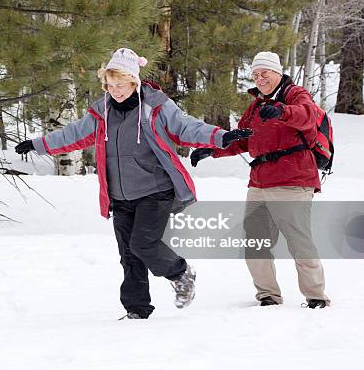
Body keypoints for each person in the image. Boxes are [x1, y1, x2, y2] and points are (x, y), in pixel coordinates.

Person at [15, 48, 252, 319]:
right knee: (129, 255)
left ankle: (180, 272)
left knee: (144, 244)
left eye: (121, 85)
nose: (116, 91)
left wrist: (221, 136)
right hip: (120, 196)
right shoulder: (101, 112)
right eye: (110, 85)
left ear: (134, 82)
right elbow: (73, 135)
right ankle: (137, 310)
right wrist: (38, 144)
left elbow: (186, 127)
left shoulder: (155, 106)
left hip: (155, 191)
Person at [191, 51, 330, 309]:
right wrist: (212, 149)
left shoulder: (295, 95)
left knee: (299, 241)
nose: (260, 78)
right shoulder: (256, 105)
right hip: (259, 182)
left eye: (265, 72)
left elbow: (307, 116)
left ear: (278, 72)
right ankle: (268, 295)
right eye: (255, 74)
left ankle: (316, 296)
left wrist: (281, 112)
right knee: (255, 242)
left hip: (293, 179)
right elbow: (242, 139)